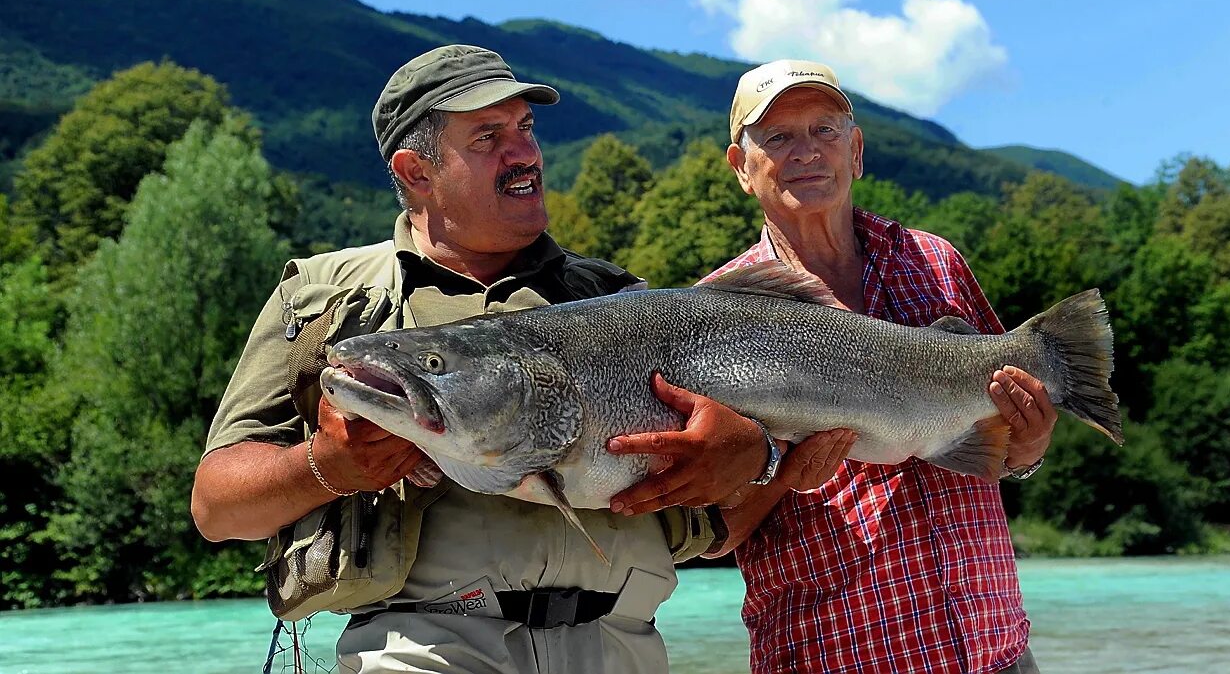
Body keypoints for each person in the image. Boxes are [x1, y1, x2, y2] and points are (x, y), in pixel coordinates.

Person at [190, 44, 777, 674]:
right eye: (488, 137)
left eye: (524, 129)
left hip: (623, 645)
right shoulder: (323, 301)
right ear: (417, 171)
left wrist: (757, 458)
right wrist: (326, 467)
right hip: (424, 649)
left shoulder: (622, 302)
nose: (523, 152)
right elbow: (216, 507)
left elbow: (723, 513)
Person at [610, 59, 1054, 674]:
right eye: (779, 137)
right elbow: (704, 532)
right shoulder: (703, 317)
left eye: (825, 130)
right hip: (835, 654)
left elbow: (994, 445)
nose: (807, 152)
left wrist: (1029, 449)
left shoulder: (934, 262)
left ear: (857, 151)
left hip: (996, 647)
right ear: (742, 168)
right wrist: (782, 472)